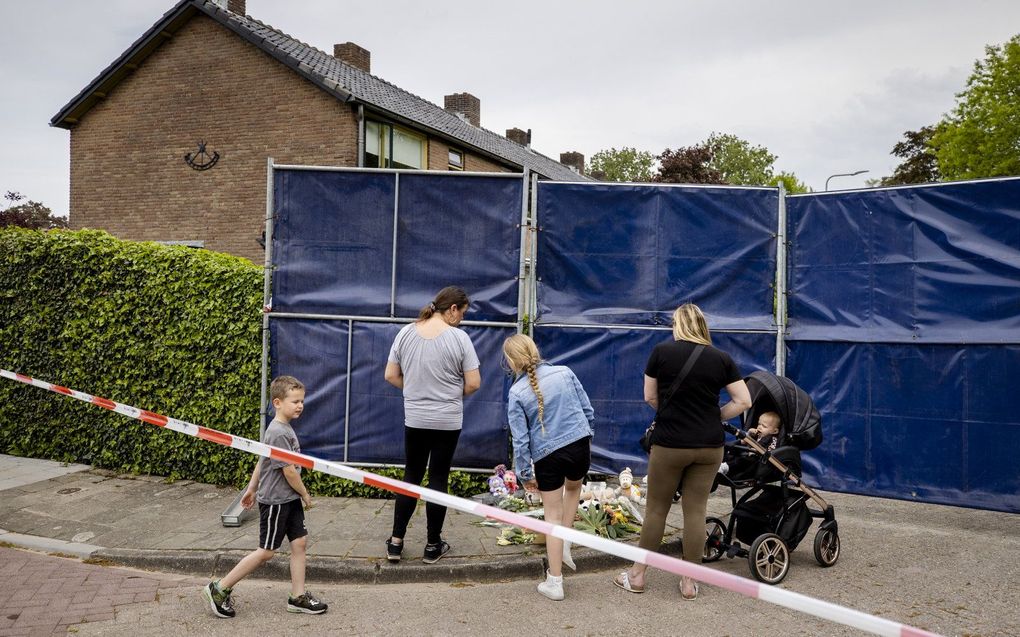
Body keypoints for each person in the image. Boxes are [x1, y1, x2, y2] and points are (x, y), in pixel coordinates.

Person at [613, 303, 751, 601]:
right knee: (696, 512)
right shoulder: (721, 358)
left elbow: (650, 396)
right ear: (702, 325)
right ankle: (689, 582)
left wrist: (672, 412)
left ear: (678, 325)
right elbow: (743, 401)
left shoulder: (661, 353)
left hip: (670, 444)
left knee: (657, 510)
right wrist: (716, 416)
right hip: (709, 447)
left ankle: (637, 575)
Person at [203, 376, 328, 618]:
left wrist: (250, 488)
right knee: (266, 551)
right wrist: (305, 493)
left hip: (288, 499)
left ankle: (297, 597)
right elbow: (288, 470)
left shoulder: (282, 428)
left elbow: (263, 460)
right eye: (295, 401)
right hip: (277, 502)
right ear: (278, 402)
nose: (300, 405)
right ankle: (219, 588)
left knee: (299, 543)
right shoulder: (278, 432)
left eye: (302, 400)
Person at [384, 286, 481, 564]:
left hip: (415, 417)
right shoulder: (459, 338)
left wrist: (414, 389)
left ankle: (395, 542)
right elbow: (473, 383)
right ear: (452, 309)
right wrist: (449, 393)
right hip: (447, 419)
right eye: (462, 313)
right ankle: (432, 545)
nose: (461, 319)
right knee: (438, 478)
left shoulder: (406, 332)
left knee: (411, 476)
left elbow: (390, 375)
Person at [503, 334, 594, 601]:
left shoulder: (517, 392)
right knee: (574, 488)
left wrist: (525, 475)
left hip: (548, 456)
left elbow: (520, 439)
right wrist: (587, 436)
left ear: (510, 361)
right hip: (579, 445)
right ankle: (564, 543)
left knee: (551, 516)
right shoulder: (565, 372)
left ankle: (555, 581)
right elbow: (587, 409)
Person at [719, 410, 781, 477]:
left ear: (775, 431)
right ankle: (723, 464)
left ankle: (726, 467)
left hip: (758, 462)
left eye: (764, 426)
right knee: (731, 449)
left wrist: (756, 452)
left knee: (745, 460)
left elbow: (772, 452)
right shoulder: (757, 435)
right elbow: (745, 442)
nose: (759, 427)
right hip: (747, 454)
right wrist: (748, 434)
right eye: (759, 424)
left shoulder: (773, 439)